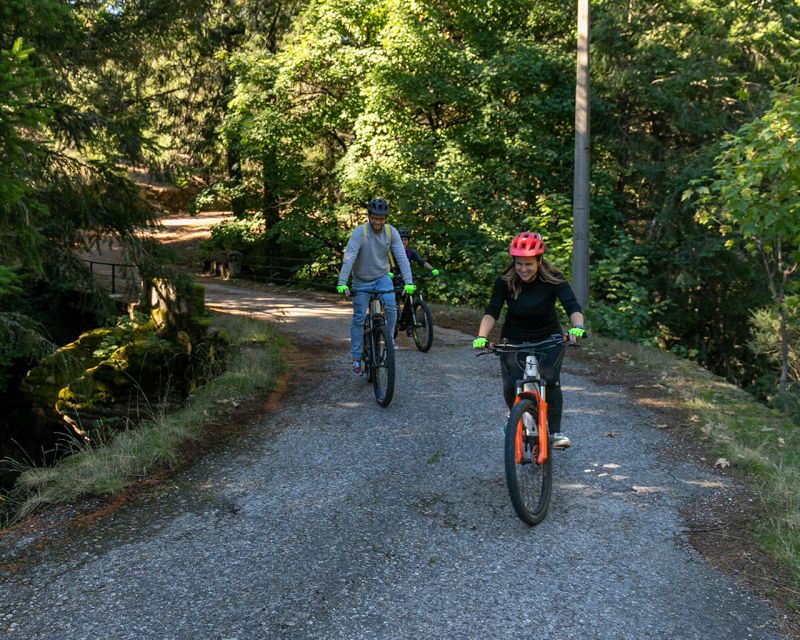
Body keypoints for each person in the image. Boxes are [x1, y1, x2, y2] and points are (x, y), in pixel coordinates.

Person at [472, 231, 585, 449]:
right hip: (513, 337)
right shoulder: (505, 281)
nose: (523, 269)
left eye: (529, 264)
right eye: (519, 264)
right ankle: (514, 415)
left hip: (548, 336)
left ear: (539, 261)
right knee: (511, 382)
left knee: (550, 379)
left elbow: (572, 306)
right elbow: (492, 311)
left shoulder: (554, 279)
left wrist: (577, 327)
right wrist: (481, 336)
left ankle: (554, 432)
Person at [337, 198, 415, 375]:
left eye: (381, 218)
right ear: (369, 217)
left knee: (391, 306)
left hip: (382, 277)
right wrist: (342, 283)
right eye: (374, 218)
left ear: (386, 218)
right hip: (361, 280)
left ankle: (388, 338)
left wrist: (409, 282)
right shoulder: (360, 233)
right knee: (358, 317)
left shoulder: (390, 232)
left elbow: (401, 257)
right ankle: (356, 358)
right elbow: (349, 257)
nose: (378, 222)